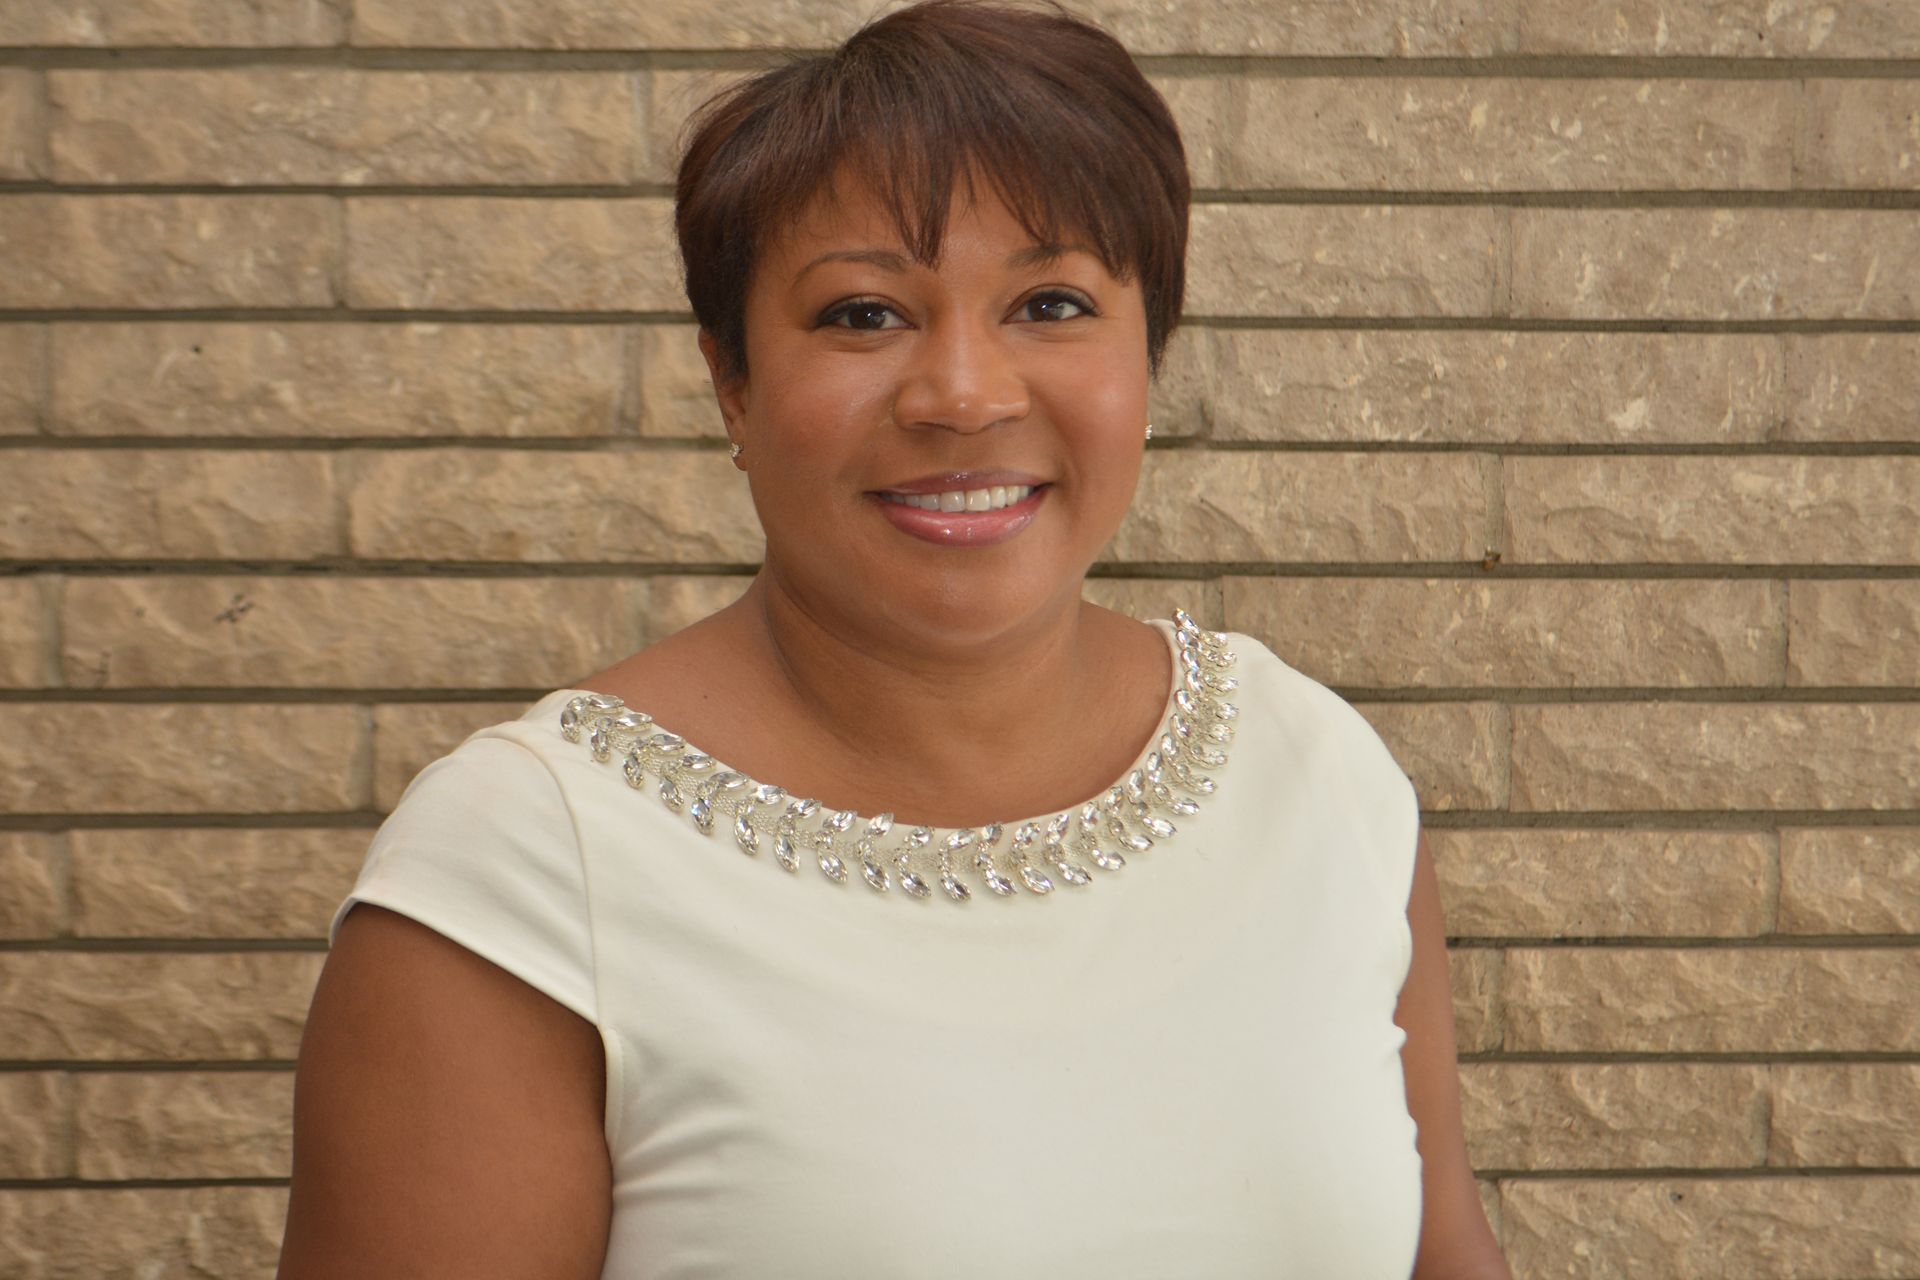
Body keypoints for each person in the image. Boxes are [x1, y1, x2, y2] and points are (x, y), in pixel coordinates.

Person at [277, 1, 1512, 1276]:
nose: (964, 395)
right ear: (733, 382)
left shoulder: (1312, 773)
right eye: (864, 314)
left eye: (1050, 301)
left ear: (1150, 356)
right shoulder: (531, 865)